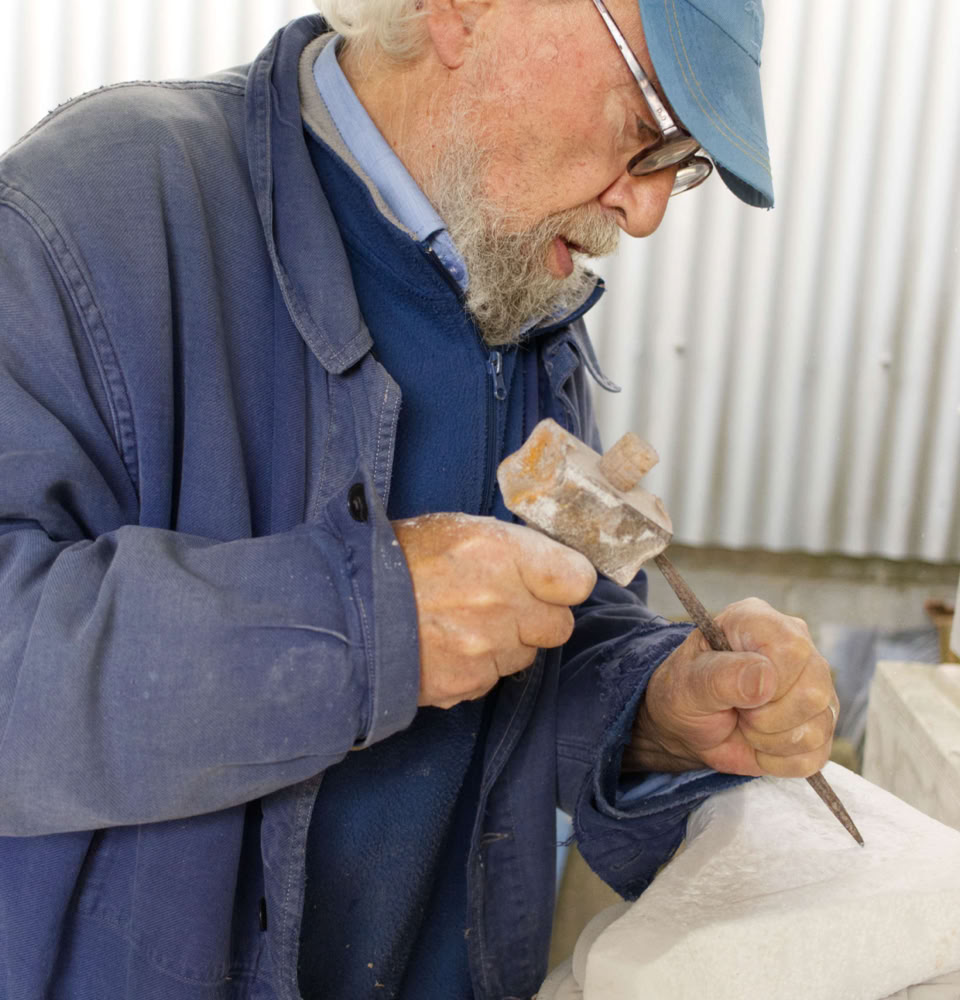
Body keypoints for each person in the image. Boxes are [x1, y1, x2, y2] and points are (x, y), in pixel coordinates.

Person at [0, 0, 839, 997]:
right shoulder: (97, 211)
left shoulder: (518, 286)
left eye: (682, 161)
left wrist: (656, 710)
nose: (649, 212)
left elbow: (528, 652)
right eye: (647, 121)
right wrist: (368, 622)